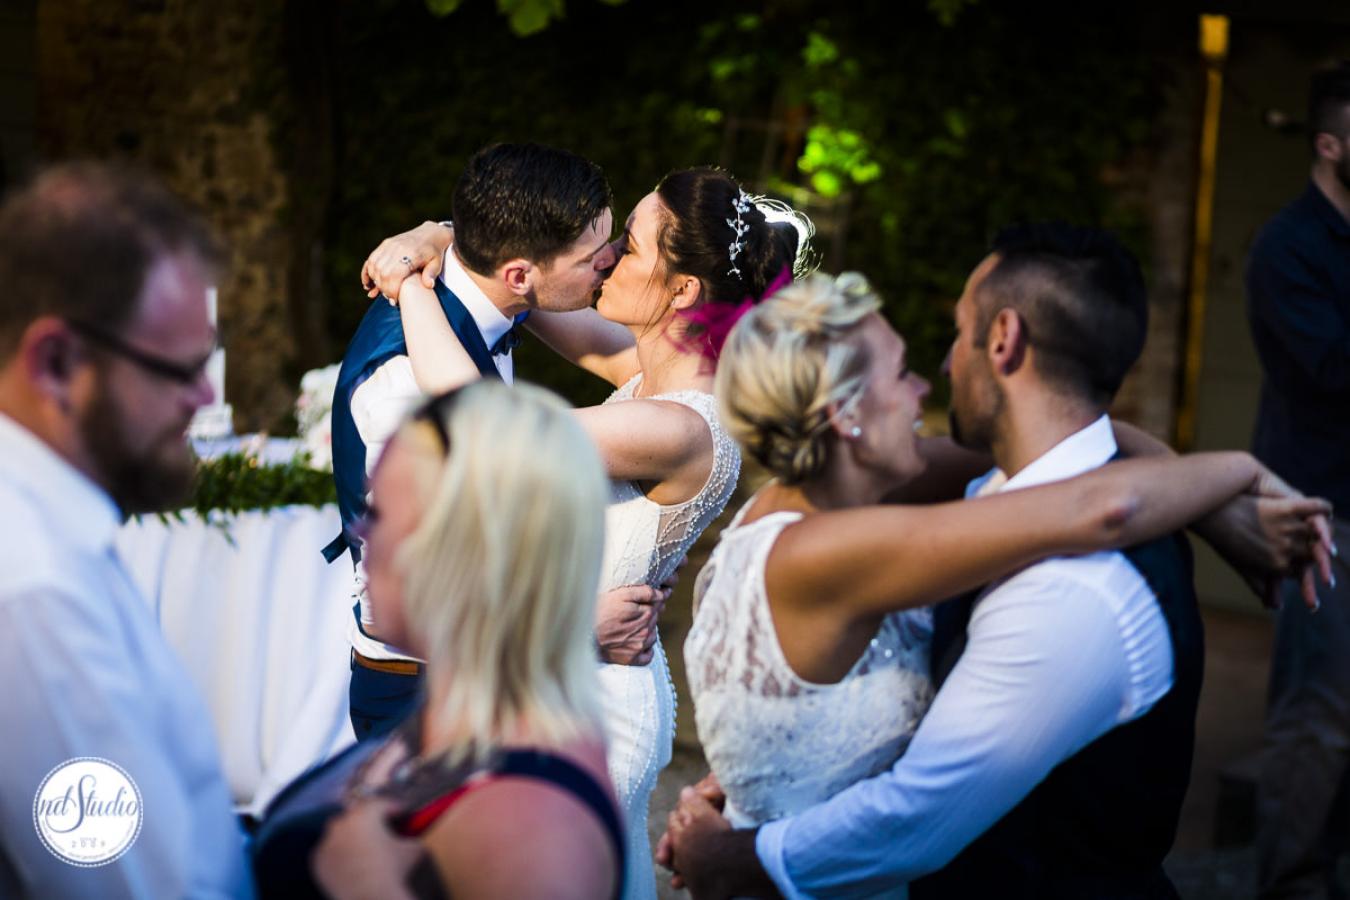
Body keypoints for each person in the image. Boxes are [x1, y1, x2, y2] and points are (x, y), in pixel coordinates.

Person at [661, 226, 1334, 898]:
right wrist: (1239, 471)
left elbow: (1095, 474)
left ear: (1005, 339)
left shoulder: (1062, 576)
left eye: (956, 334)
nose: (936, 375)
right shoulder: (837, 540)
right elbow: (1103, 503)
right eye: (903, 372)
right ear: (845, 418)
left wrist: (1214, 500)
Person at [368, 166, 807, 900]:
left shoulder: (676, 425)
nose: (603, 259)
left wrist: (409, 288)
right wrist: (432, 238)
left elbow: (484, 423)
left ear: (682, 290)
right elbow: (517, 282)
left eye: (628, 248)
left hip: (597, 700)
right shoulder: (655, 371)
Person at [330, 142, 665, 742]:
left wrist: (435, 232)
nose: (610, 262)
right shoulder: (406, 391)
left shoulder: (482, 291)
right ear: (520, 274)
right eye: (594, 255)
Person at [254, 381, 623, 900]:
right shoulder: (461, 721)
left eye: (380, 513)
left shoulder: (535, 826)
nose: (360, 532)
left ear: (463, 553)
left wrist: (370, 886)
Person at [0, 164, 252, 896]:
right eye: (181, 369)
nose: (204, 399)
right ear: (57, 364)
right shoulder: (34, 594)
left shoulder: (52, 538)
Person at [1248, 60, 1350, 900]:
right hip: (1323, 514)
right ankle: (1291, 884)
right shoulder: (1290, 248)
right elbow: (1333, 371)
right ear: (1329, 144)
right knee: (1317, 719)